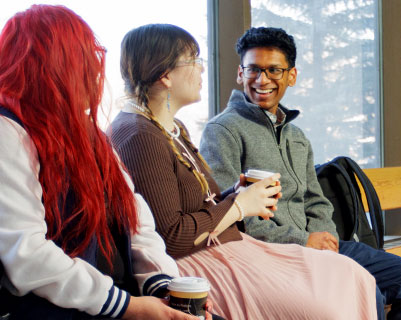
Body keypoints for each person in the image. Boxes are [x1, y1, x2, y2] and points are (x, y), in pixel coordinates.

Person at [109, 23, 378, 320]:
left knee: (353, 276)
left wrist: (237, 195)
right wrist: (239, 205)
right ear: (165, 75)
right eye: (194, 60)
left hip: (227, 246)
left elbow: (203, 206)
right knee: (328, 305)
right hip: (200, 261)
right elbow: (171, 236)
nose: (202, 70)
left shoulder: (171, 128)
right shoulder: (138, 135)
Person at [200, 27, 401, 319]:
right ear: (240, 73)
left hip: (318, 247)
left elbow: (316, 200)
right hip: (275, 253)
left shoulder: (296, 136)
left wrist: (325, 240)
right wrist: (304, 242)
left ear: (291, 76)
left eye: (274, 70)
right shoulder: (222, 131)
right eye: (253, 69)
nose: (262, 80)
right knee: (363, 289)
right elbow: (230, 214)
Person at [0, 5, 207, 320]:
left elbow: (135, 218)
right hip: (55, 309)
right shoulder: (8, 133)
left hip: (112, 300)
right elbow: (25, 253)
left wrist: (162, 287)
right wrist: (129, 307)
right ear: (54, 64)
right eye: (85, 59)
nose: (96, 72)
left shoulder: (90, 134)